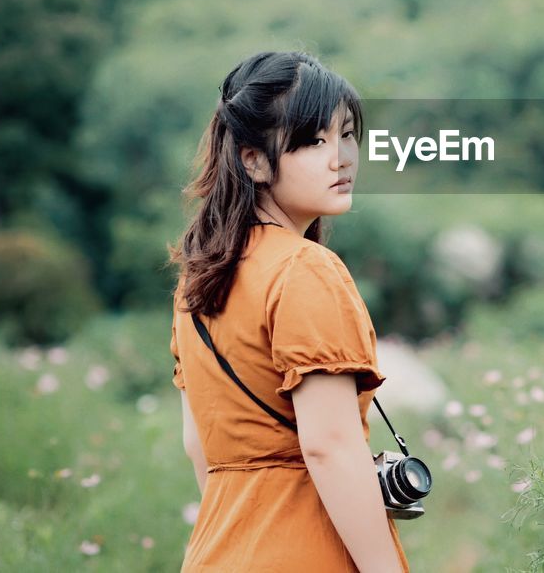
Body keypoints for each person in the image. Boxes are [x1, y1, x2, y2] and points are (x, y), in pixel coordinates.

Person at [168, 50, 408, 572]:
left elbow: (199, 445)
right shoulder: (304, 268)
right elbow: (329, 445)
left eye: (346, 135)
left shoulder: (200, 279)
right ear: (253, 160)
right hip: (303, 547)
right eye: (314, 141)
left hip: (218, 548)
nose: (341, 158)